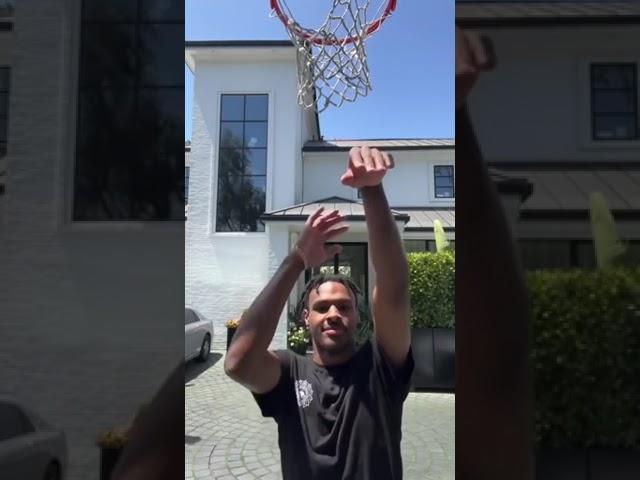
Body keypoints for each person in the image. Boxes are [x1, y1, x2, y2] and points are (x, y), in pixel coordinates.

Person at [224, 146, 414, 480]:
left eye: (344, 306)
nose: (333, 314)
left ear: (357, 317)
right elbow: (238, 363)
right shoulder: (288, 371)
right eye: (321, 307)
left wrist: (371, 188)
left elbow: (394, 289)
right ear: (305, 318)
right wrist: (296, 259)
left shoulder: (381, 368)